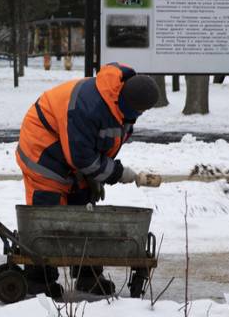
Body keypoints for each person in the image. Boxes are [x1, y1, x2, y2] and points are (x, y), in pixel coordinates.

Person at [16, 63, 160, 297]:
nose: (138, 116)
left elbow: (96, 148)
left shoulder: (122, 106)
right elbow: (82, 157)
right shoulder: (89, 106)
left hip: (70, 151)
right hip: (43, 147)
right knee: (48, 211)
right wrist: (119, 174)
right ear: (127, 101)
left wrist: (96, 178)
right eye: (138, 111)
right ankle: (38, 280)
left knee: (85, 207)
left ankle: (87, 274)